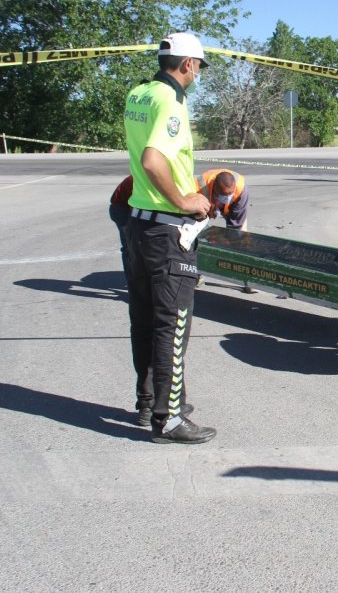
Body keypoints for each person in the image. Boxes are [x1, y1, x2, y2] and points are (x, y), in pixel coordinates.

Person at [123, 32, 216, 445]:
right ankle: (170, 418)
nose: (198, 74)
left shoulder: (139, 93)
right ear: (188, 64)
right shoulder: (171, 101)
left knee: (144, 320)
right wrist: (185, 198)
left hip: (138, 225)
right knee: (172, 326)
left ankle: (150, 403)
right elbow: (153, 159)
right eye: (199, 66)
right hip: (167, 228)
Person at [108, 175, 133, 278]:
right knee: (129, 247)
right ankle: (132, 280)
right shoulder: (144, 178)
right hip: (121, 210)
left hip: (128, 206)